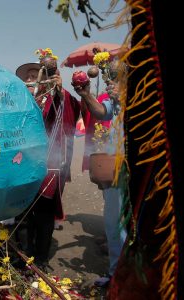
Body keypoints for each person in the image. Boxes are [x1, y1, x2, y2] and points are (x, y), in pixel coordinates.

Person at [15, 61, 81, 270]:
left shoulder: (53, 98)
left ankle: (41, 258)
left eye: (36, 75)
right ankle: (24, 253)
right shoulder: (19, 101)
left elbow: (70, 110)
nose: (31, 79)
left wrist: (61, 91)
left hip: (48, 163)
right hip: (22, 163)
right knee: (22, 212)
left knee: (43, 213)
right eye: (28, 76)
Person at [73, 61, 127, 288]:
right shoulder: (112, 99)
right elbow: (101, 113)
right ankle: (117, 275)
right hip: (115, 169)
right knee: (113, 223)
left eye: (117, 76)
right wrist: (86, 95)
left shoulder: (143, 96)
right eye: (110, 76)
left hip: (140, 170)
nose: (112, 81)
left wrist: (125, 98)